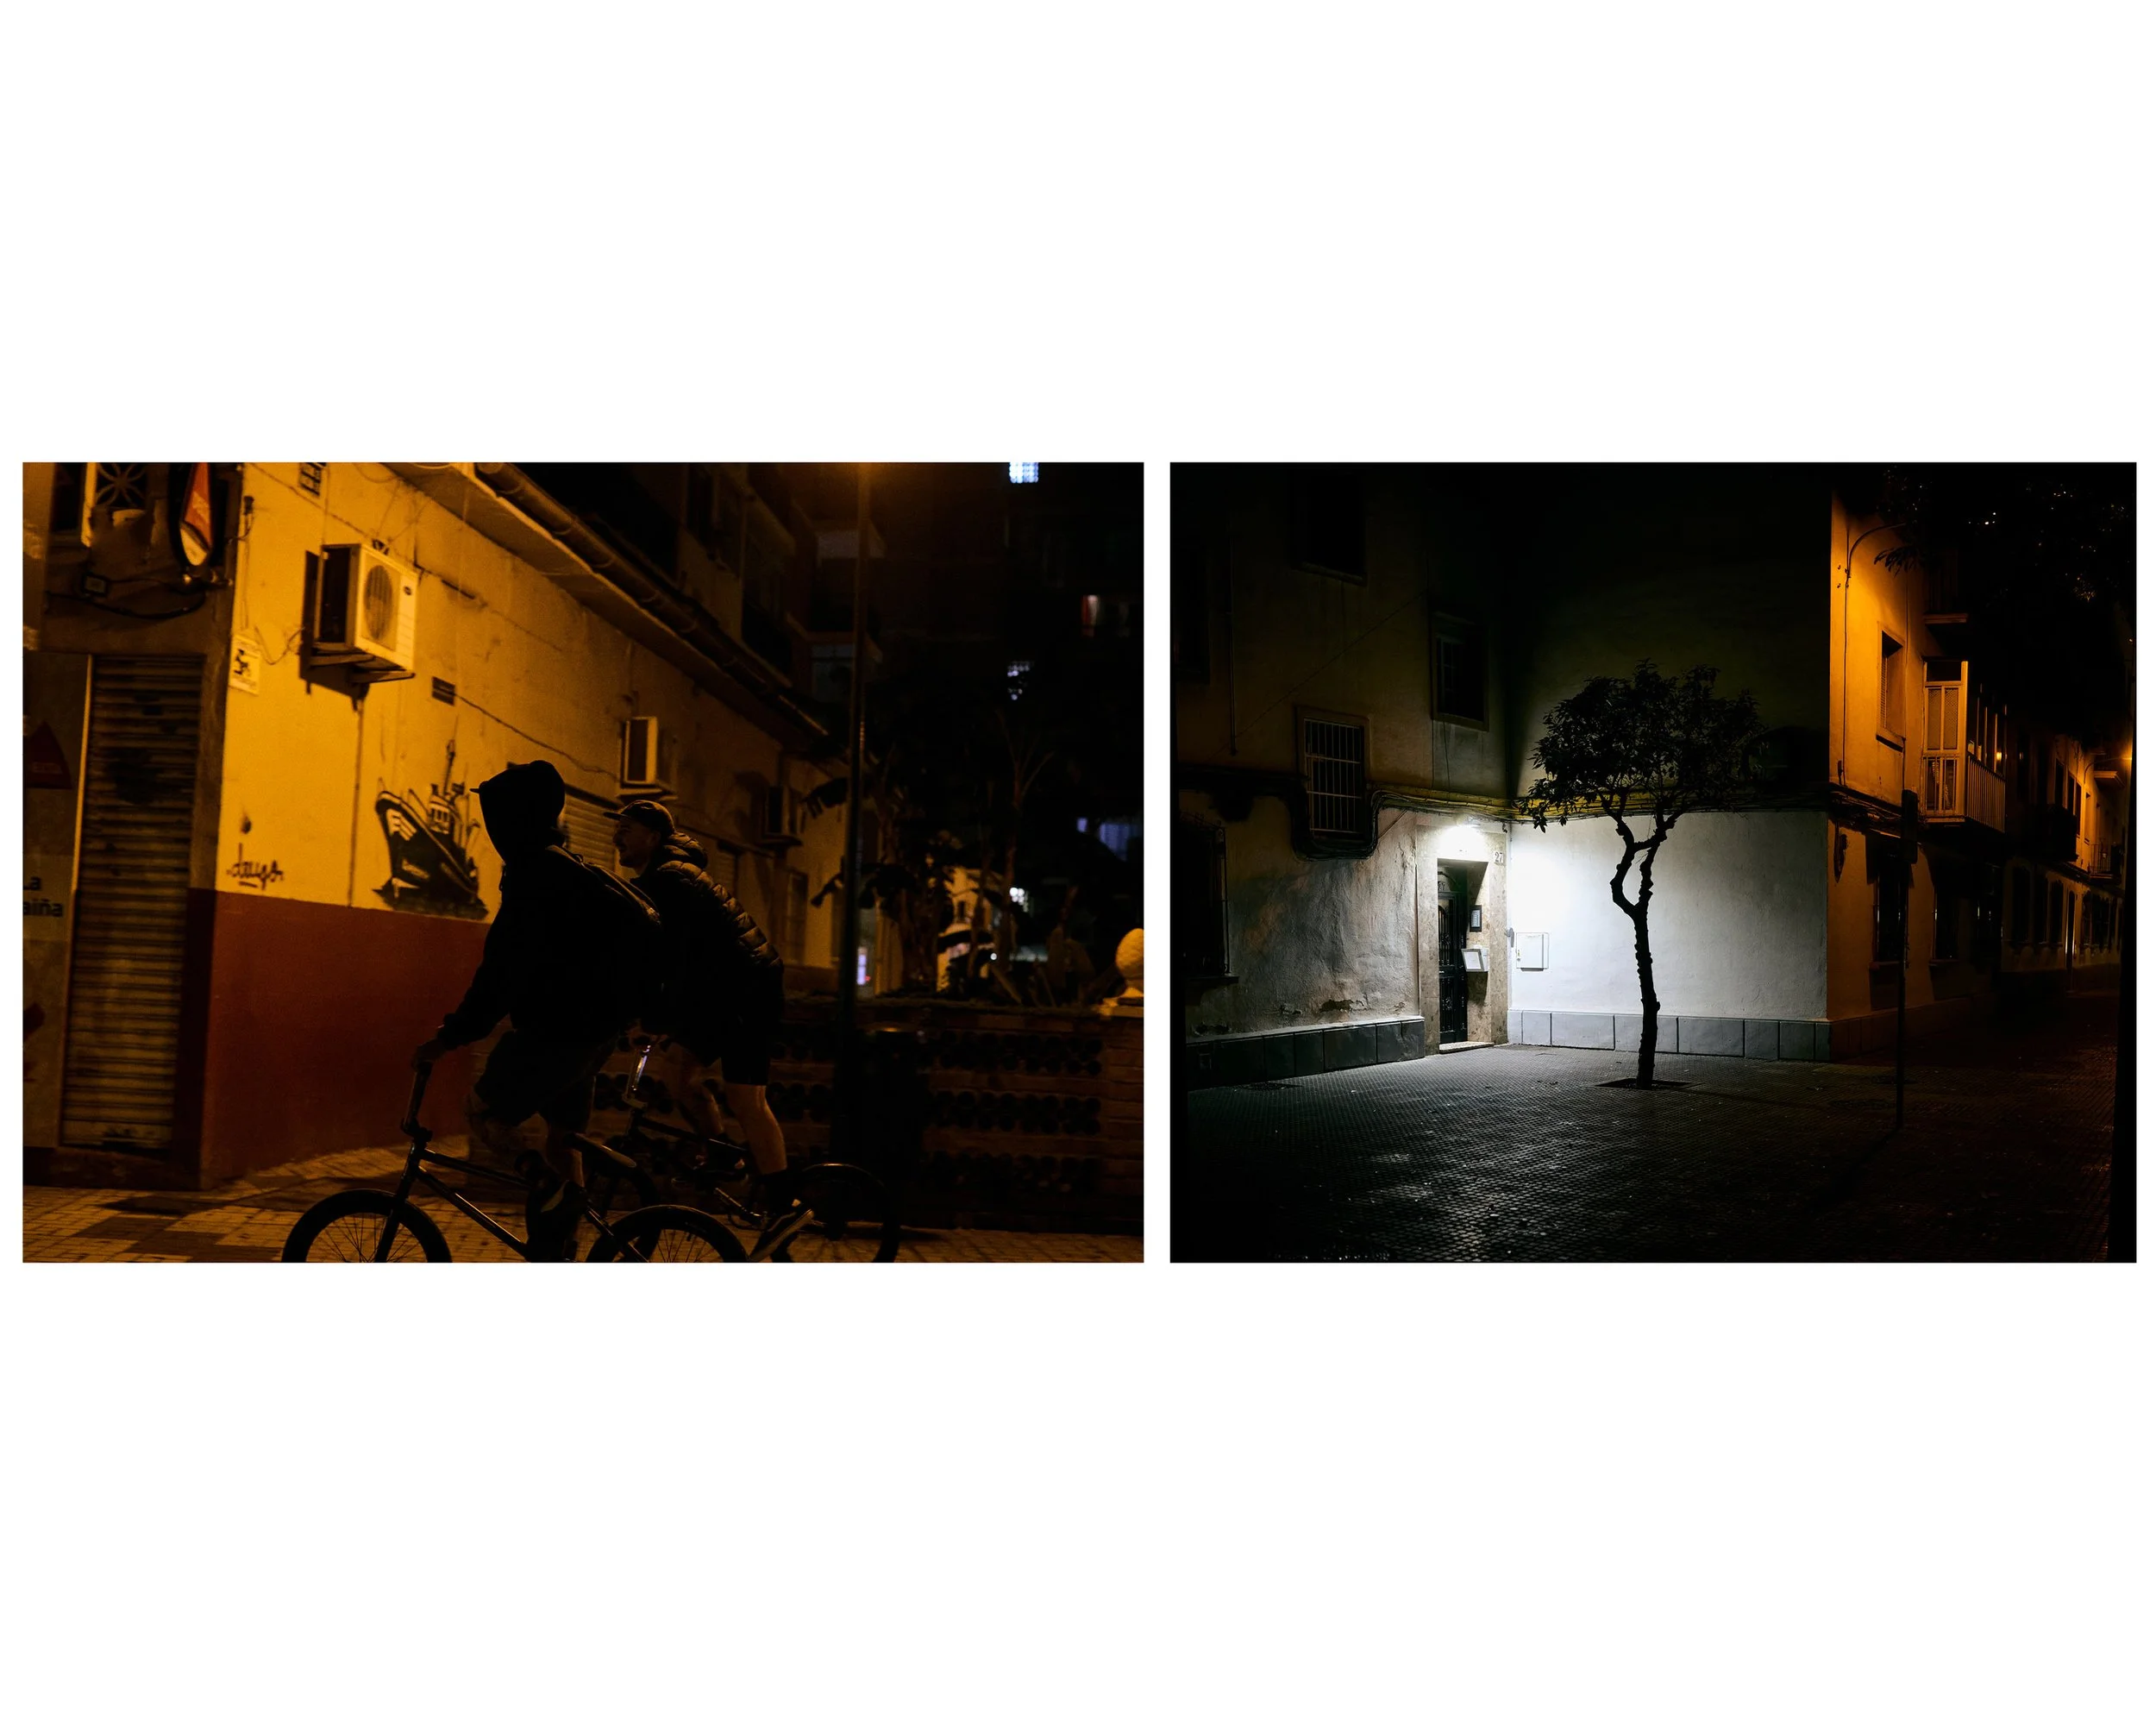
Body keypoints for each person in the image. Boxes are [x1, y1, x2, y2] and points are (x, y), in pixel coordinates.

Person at [411, 760, 655, 1259]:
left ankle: (553, 1193)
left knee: (484, 1114)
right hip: (593, 1032)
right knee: (563, 1139)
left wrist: (451, 1036)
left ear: (512, 821)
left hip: (555, 1033)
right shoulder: (569, 867)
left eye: (494, 819)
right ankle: (560, 1248)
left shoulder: (533, 876)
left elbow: (501, 971)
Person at [611, 799, 804, 1240]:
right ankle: (721, 1152)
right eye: (617, 827)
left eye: (627, 827)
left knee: (747, 1097)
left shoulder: (672, 880)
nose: (617, 835)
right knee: (677, 1070)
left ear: (653, 837)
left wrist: (654, 1018)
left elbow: (673, 961)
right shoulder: (661, 878)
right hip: (720, 991)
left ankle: (783, 1202)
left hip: (748, 990)